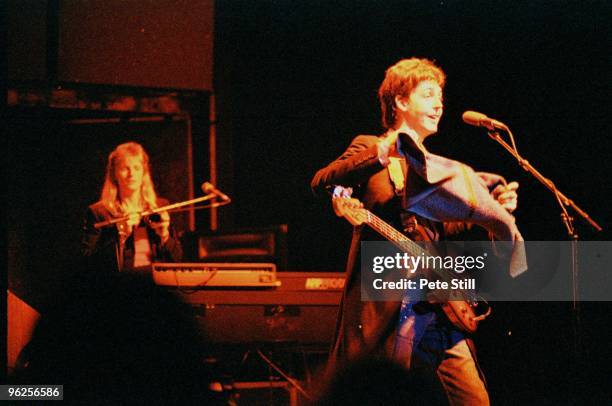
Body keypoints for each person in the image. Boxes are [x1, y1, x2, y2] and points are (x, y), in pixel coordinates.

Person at [311, 58, 526, 405]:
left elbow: (440, 230)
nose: (439, 104)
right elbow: (323, 180)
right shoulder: (370, 145)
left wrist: (493, 212)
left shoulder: (434, 169)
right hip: (391, 303)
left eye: (440, 96)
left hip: (439, 303)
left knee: (474, 400)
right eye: (428, 95)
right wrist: (381, 154)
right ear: (399, 102)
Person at [82, 142, 182, 271]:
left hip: (155, 286)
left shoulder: (160, 207)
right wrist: (121, 237)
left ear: (143, 173)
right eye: (125, 168)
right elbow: (88, 261)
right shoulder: (99, 212)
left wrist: (164, 236)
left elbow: (177, 259)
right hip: (119, 286)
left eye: (136, 168)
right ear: (114, 174)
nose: (131, 174)